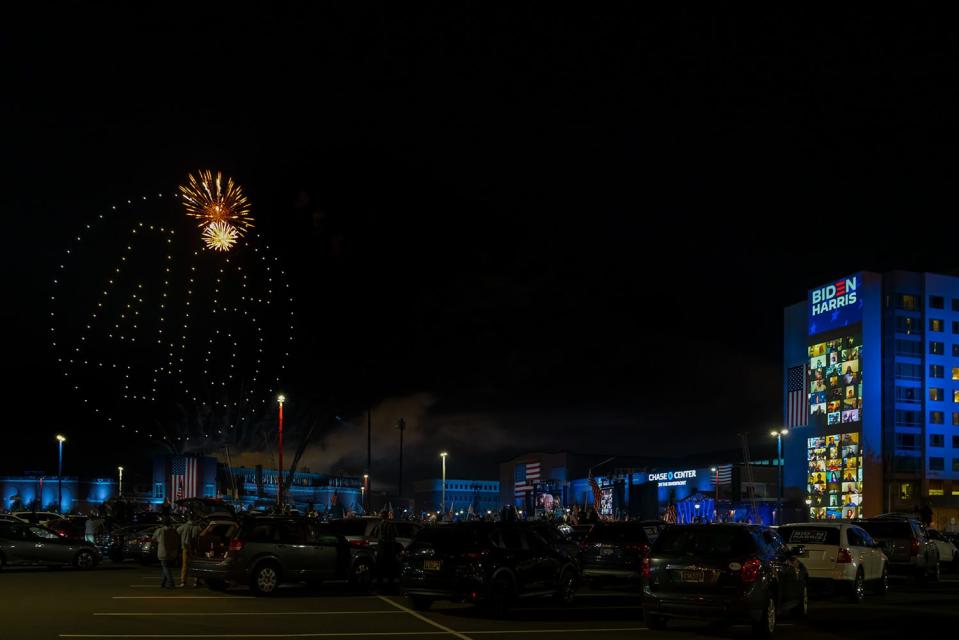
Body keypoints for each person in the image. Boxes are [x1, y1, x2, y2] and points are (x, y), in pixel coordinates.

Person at [153, 518, 180, 590]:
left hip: (163, 552)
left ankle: (171, 583)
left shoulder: (160, 530)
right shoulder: (174, 531)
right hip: (172, 552)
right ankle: (162, 583)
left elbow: (153, 538)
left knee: (165, 567)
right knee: (166, 567)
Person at [177, 515, 203, 588]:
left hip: (185, 548)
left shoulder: (184, 526)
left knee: (185, 565)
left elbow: (177, 531)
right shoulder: (197, 527)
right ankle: (196, 581)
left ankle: (183, 582)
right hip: (195, 549)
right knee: (197, 565)